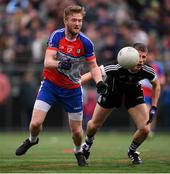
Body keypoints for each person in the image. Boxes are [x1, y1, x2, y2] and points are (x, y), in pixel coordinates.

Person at [15, 5, 108, 167]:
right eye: (74, 20)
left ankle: (78, 151)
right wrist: (59, 64)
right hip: (50, 86)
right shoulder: (57, 36)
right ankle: (32, 140)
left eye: (80, 20)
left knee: (77, 132)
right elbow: (47, 61)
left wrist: (99, 83)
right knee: (35, 124)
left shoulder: (86, 42)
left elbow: (93, 66)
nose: (78, 23)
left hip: (72, 90)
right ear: (65, 20)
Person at [81, 43, 161, 165]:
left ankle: (132, 151)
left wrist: (154, 106)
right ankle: (87, 144)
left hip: (133, 94)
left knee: (145, 129)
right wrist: (76, 83)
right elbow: (93, 72)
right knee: (93, 126)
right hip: (112, 92)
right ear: (131, 55)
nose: (141, 60)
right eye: (139, 56)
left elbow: (157, 84)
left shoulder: (146, 69)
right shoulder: (116, 66)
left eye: (144, 57)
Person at [140, 50, 165, 136]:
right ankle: (145, 129)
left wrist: (157, 82)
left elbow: (162, 79)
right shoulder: (142, 65)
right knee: (146, 110)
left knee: (152, 112)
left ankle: (151, 130)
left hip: (154, 93)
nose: (150, 57)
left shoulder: (158, 66)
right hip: (145, 92)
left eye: (151, 55)